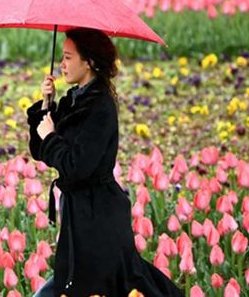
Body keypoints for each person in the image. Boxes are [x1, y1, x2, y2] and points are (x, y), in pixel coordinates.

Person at [27, 28, 185, 297]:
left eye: (67, 57)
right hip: (79, 212)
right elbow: (41, 151)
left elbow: (76, 166)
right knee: (75, 283)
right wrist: (46, 105)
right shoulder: (75, 99)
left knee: (101, 285)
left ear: (88, 61)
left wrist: (51, 136)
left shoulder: (99, 108)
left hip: (98, 216)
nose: (62, 65)